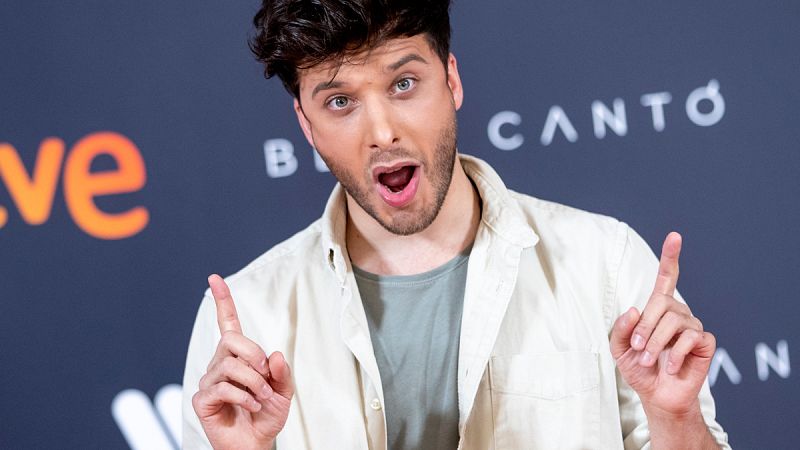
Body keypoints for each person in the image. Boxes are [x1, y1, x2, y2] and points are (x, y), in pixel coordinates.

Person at [182, 1, 730, 448]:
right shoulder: (246, 320)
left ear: (451, 79)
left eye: (403, 84)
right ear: (305, 124)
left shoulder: (603, 262)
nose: (382, 132)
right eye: (340, 101)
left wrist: (676, 418)